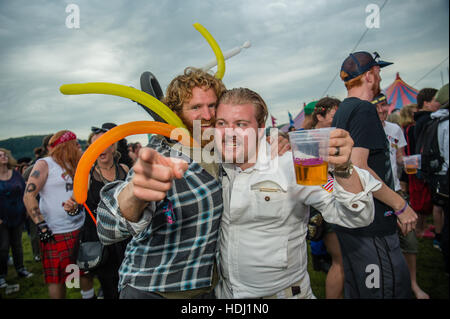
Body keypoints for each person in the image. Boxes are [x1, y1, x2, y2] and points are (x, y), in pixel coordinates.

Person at [212, 88, 381, 299]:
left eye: (241, 124)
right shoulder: (215, 165)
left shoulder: (294, 163)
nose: (229, 132)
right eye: (221, 123)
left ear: (260, 128)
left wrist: (343, 169)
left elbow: (358, 216)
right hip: (225, 294)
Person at [331, 51, 417, 298]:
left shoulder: (343, 111)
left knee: (360, 289)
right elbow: (360, 167)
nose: (380, 77)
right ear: (369, 75)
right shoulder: (364, 110)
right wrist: (400, 205)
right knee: (386, 289)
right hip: (372, 223)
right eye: (378, 71)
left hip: (353, 219)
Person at [64, 123, 130, 299]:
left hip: (127, 236)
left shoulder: (124, 169)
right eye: (95, 145)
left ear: (112, 145)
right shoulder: (86, 173)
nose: (100, 148)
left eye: (104, 143)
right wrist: (71, 208)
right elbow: (76, 204)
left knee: (131, 280)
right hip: (101, 238)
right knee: (110, 284)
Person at [372, 93, 429, 299]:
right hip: (375, 194)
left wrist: (411, 163)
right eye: (376, 107)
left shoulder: (395, 129)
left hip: (397, 190)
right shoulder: (365, 130)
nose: (381, 110)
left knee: (410, 240)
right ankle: (388, 285)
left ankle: (413, 284)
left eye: (384, 106)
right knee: (383, 244)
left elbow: (400, 158)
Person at [23, 130, 85, 299]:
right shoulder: (45, 164)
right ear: (66, 145)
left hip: (79, 227)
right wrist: (41, 224)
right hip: (55, 232)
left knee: (80, 272)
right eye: (76, 143)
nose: (79, 146)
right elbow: (28, 195)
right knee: (56, 278)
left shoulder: (76, 163)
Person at [309, 96, 346, 298]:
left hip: (337, 201)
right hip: (327, 204)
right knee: (340, 260)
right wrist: (336, 189)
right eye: (334, 113)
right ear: (321, 114)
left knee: (342, 260)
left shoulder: (336, 135)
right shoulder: (311, 138)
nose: (339, 117)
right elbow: (315, 177)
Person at [0, 148, 33, 289]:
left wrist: (27, 209)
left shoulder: (15, 174)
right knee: (3, 247)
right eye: (0, 156)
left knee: (17, 244)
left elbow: (25, 191)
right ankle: (1, 276)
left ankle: (21, 268)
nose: (3, 157)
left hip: (18, 214)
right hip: (2, 218)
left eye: (4, 155)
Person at [22, 133, 54, 263]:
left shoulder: (64, 165)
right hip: (39, 207)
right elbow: (25, 190)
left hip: (60, 213)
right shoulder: (35, 167)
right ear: (48, 147)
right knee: (38, 233)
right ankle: (38, 255)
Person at [427, 84, 449, 267]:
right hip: (445, 175)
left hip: (440, 175)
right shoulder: (445, 123)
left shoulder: (438, 121)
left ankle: (440, 238)